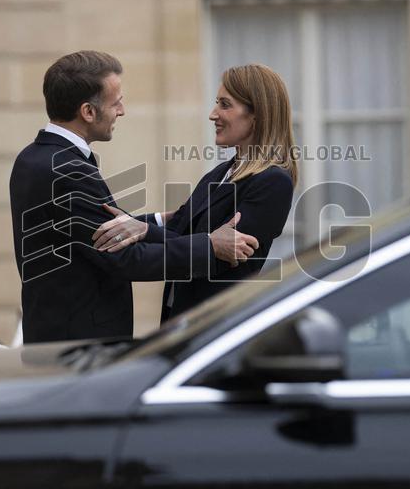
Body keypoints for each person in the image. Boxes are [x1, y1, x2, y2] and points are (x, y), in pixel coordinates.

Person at [9, 51, 259, 343]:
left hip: (54, 333)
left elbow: (89, 230)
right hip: (79, 345)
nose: (122, 111)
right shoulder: (68, 169)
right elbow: (124, 258)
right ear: (88, 112)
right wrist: (210, 247)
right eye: (116, 103)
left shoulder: (33, 157)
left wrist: (154, 222)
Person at [93, 63, 297, 323]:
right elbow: (179, 229)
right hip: (180, 320)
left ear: (257, 114)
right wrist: (121, 224)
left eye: (225, 105)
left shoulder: (273, 181)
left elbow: (224, 257)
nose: (213, 115)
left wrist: (142, 230)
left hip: (217, 325)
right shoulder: (219, 174)